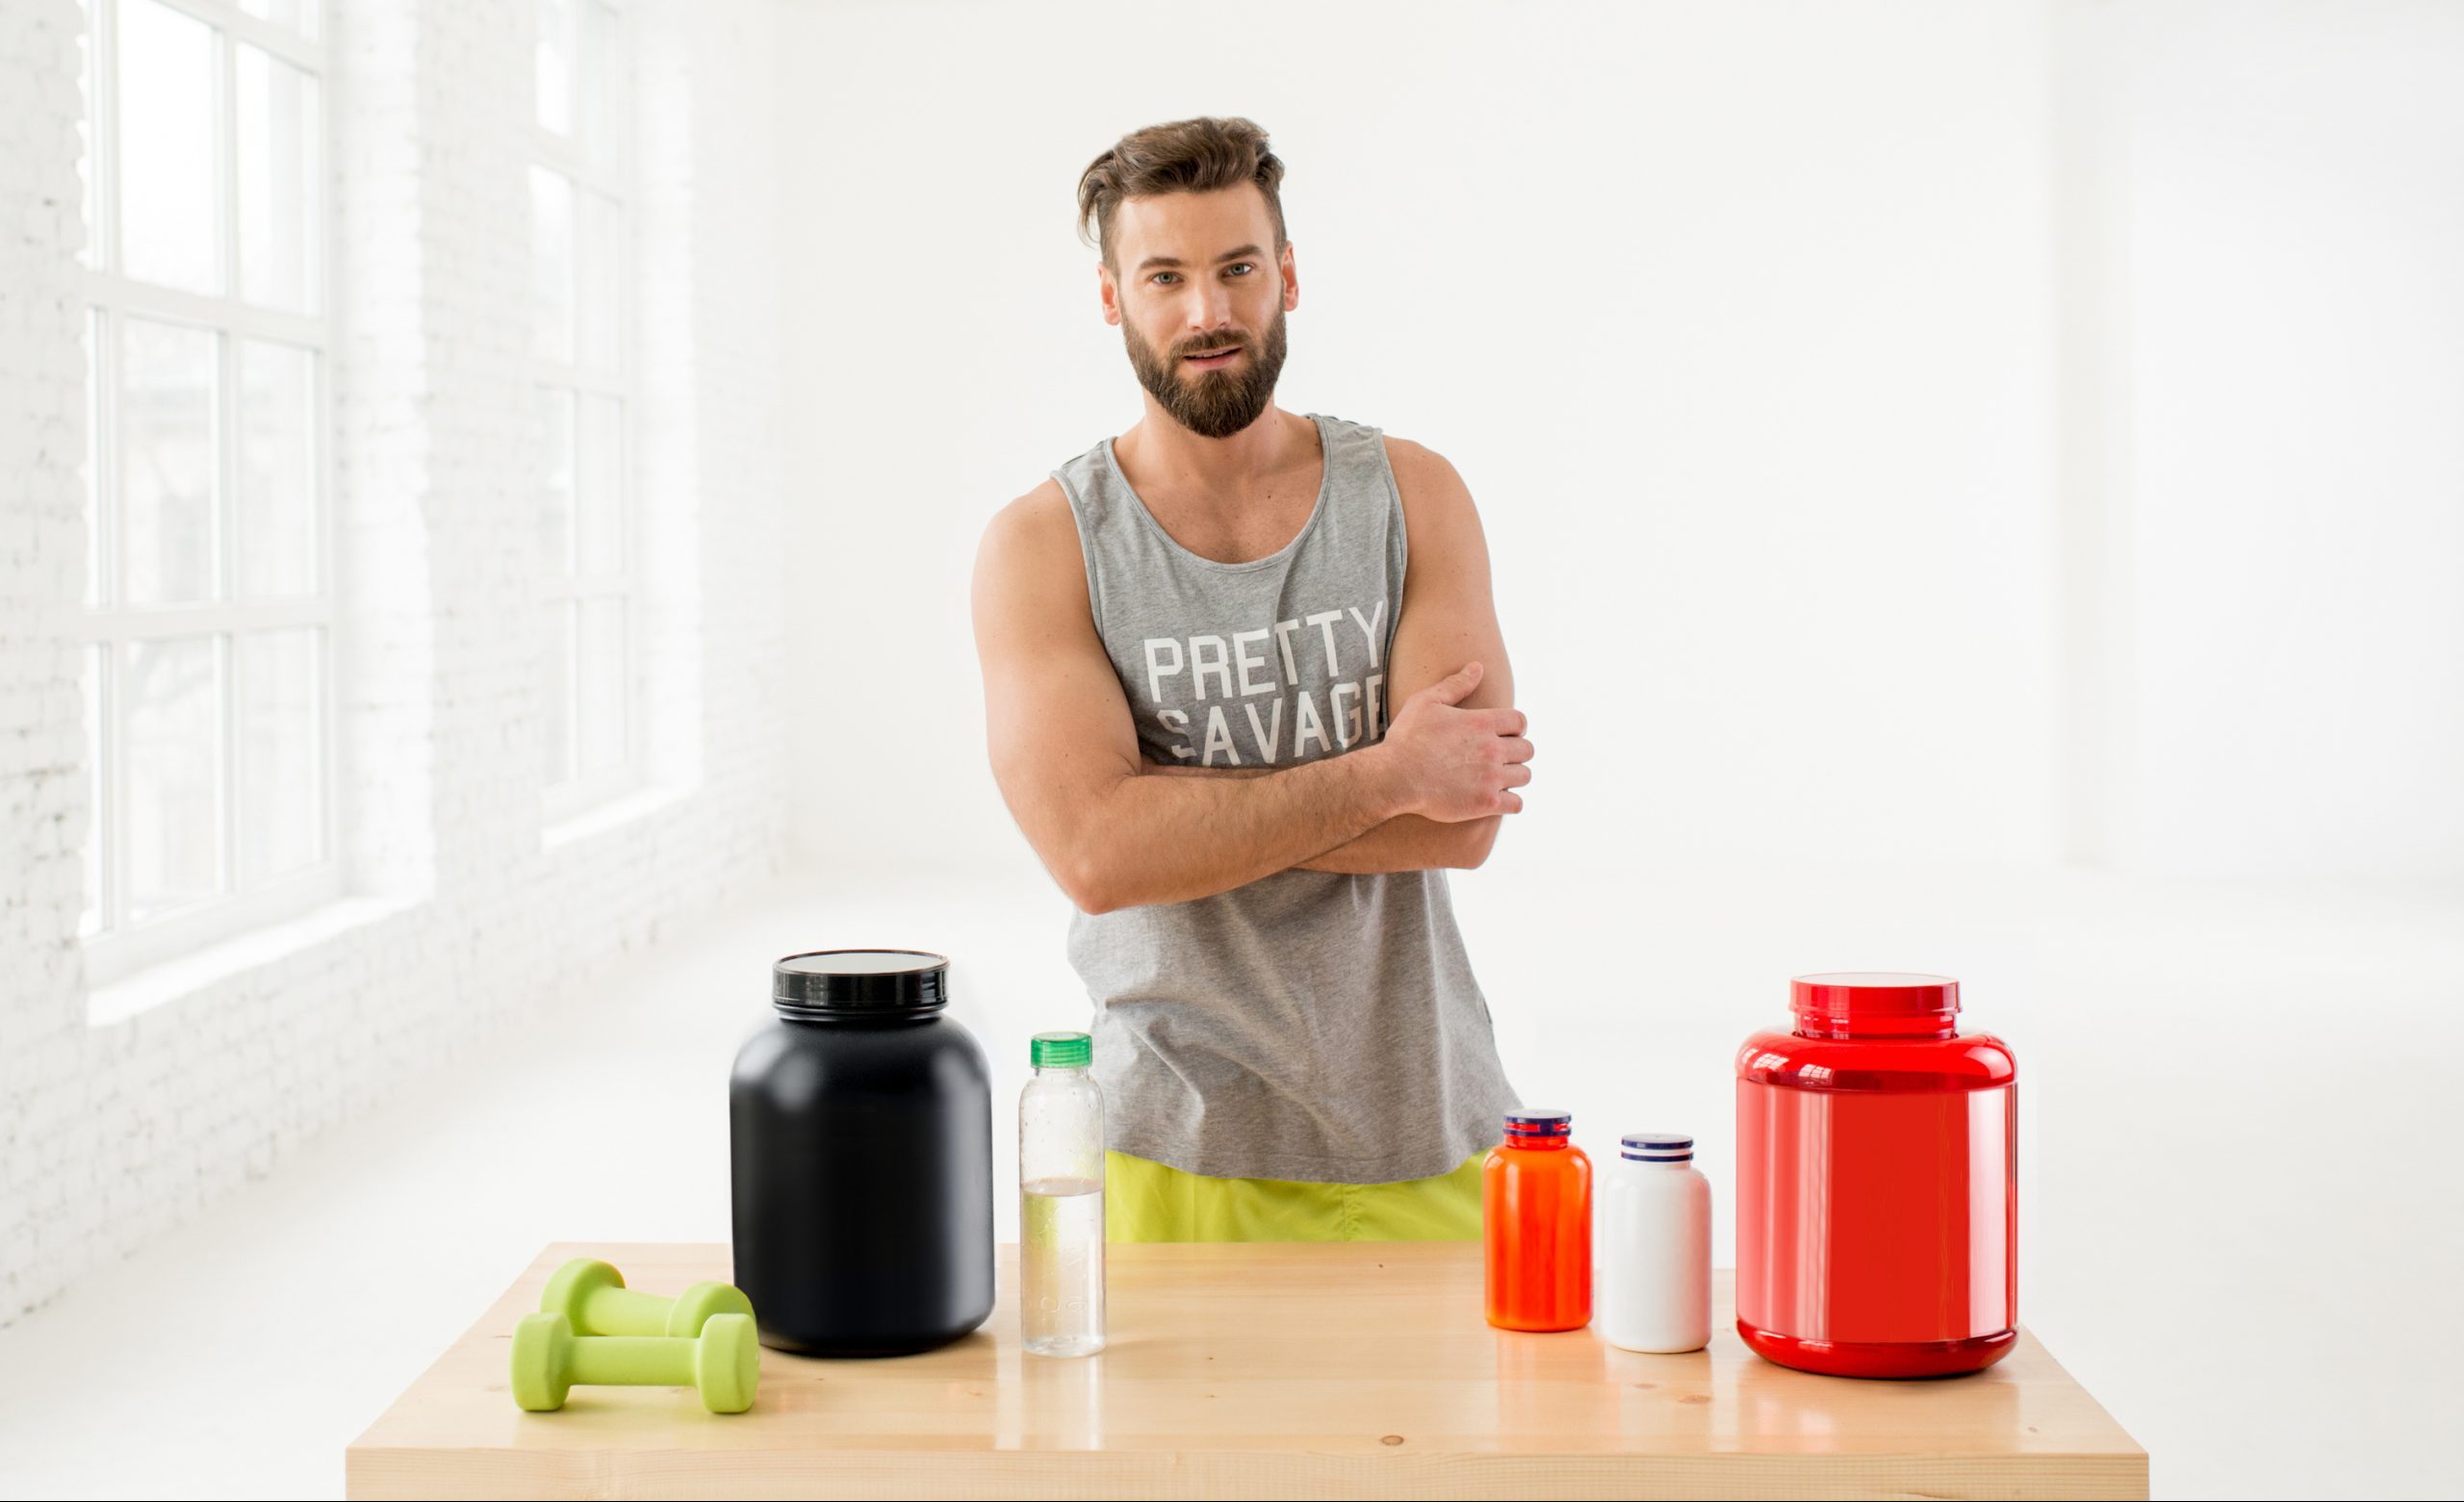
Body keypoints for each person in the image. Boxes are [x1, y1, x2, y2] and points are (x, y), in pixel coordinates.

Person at [969, 116, 1532, 1243]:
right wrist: (1385, 773)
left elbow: (1463, 821)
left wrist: (1174, 816)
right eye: (1164, 276)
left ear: (1285, 276)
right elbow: (1096, 855)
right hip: (1165, 1147)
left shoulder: (1412, 496)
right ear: (1111, 299)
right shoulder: (1043, 546)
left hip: (1424, 1128)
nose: (1207, 312)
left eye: (1235, 269)